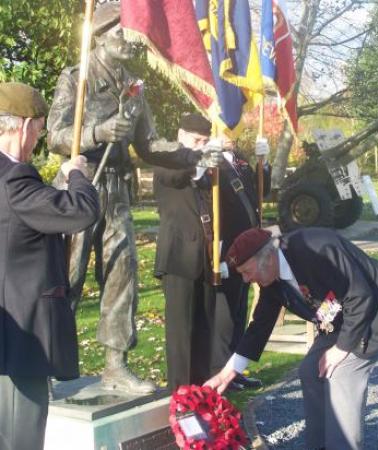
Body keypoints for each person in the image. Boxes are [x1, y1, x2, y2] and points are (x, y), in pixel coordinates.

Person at [47, 3, 217, 394]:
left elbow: (149, 144)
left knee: (123, 275)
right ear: (103, 35)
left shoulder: (134, 88)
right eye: (125, 33)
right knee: (66, 278)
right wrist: (98, 131)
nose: (133, 41)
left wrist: (191, 154)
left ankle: (115, 364)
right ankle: (51, 361)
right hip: (80, 189)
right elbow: (55, 135)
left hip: (117, 192)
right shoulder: (76, 78)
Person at [206, 227, 378, 450]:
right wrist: (226, 374)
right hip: (343, 319)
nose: (246, 279)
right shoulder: (272, 279)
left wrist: (340, 349)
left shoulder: (317, 249)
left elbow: (361, 295)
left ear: (268, 257)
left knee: (340, 371)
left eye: (247, 271)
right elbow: (259, 326)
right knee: (310, 369)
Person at [0, 82, 99, 450]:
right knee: (20, 437)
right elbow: (81, 211)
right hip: (21, 337)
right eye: (40, 126)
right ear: (24, 125)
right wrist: (76, 173)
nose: (39, 134)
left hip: (8, 323)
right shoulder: (15, 180)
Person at [153, 113, 216, 391]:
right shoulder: (169, 158)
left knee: (204, 331)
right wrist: (198, 160)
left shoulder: (203, 165)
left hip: (205, 254)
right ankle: (180, 395)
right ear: (181, 136)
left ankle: (201, 394)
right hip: (179, 256)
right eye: (196, 140)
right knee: (181, 335)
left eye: (205, 141)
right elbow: (174, 176)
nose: (200, 145)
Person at [210, 134, 271, 390]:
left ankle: (234, 368)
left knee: (239, 310)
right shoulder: (212, 165)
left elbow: (261, 191)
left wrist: (263, 164)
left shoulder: (240, 161)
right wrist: (219, 252)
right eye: (225, 130)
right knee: (224, 315)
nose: (231, 136)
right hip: (227, 247)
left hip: (247, 249)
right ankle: (219, 367)